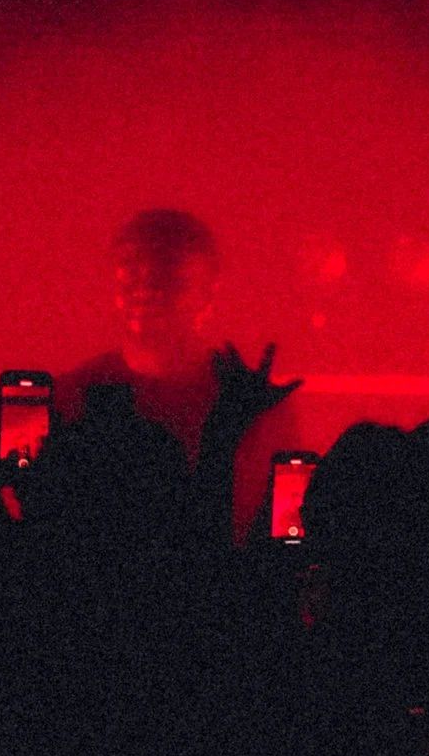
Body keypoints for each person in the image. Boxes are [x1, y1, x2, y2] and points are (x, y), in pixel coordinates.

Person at [57, 209, 304, 536]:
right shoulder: (73, 394)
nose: (146, 284)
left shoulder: (255, 404)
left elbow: (282, 522)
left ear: (207, 289)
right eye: (130, 267)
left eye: (166, 269)